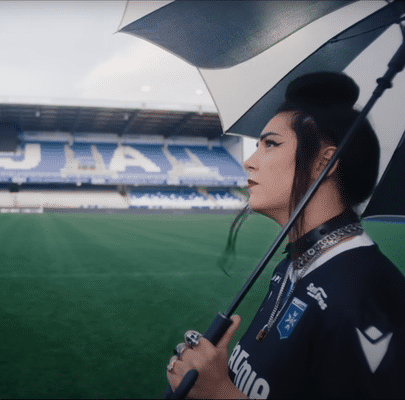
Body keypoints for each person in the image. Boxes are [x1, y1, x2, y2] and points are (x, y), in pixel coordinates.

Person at [165, 72, 405, 399]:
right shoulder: (291, 265)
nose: (249, 162)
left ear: (324, 161)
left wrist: (220, 393)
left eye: (271, 144)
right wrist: (218, 373)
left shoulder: (366, 295)